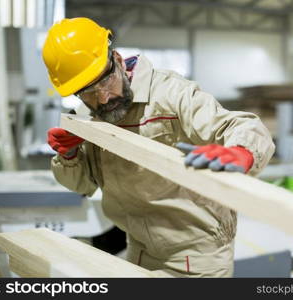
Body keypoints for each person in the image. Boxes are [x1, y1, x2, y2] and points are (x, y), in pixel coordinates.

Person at [43, 17, 275, 277]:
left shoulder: (170, 94)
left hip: (196, 252)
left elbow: (242, 126)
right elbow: (83, 185)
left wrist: (241, 151)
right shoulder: (90, 114)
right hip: (138, 247)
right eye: (87, 91)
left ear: (117, 60)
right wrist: (69, 155)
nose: (103, 98)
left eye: (105, 83)